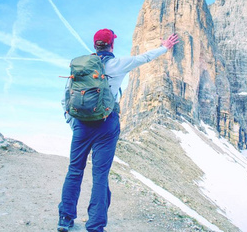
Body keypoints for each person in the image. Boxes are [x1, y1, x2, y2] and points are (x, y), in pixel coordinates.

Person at [58, 29, 179, 232]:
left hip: (81, 125)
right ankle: (95, 225)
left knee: (74, 170)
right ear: (111, 45)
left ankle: (65, 219)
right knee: (100, 174)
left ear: (95, 45)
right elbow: (145, 57)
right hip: (106, 124)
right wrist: (165, 47)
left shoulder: (80, 66)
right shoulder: (117, 64)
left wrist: (71, 121)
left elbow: (66, 96)